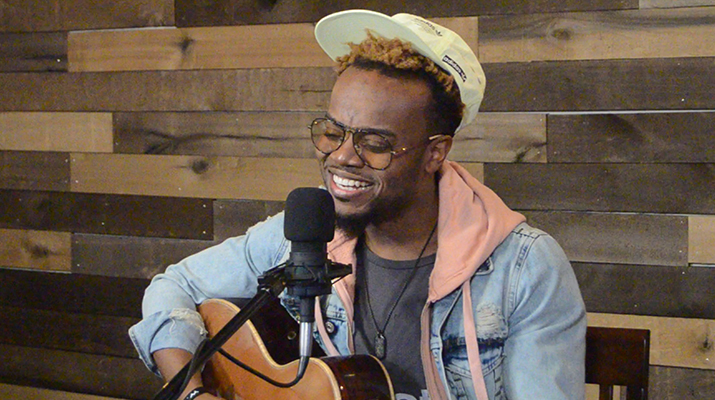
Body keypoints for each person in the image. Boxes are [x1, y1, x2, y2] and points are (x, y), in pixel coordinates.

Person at [129, 9, 586, 400]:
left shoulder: (523, 268)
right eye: (333, 132)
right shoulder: (303, 236)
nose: (343, 157)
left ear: (435, 153)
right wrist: (192, 393)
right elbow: (173, 287)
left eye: (375, 143)